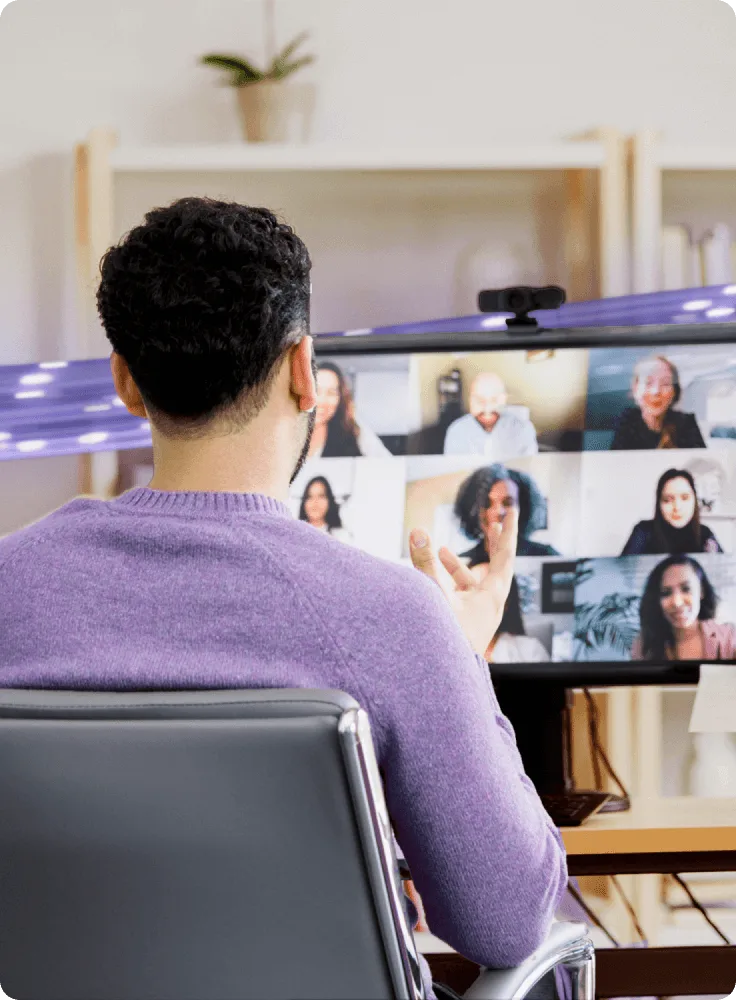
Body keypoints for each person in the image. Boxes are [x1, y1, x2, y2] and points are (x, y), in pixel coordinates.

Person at [0, 198, 566, 1000]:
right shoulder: (394, 616)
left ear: (125, 380)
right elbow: (506, 921)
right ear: (304, 370)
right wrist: (460, 658)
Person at [631, 555, 736, 661]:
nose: (677, 602)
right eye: (666, 593)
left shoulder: (728, 637)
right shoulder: (643, 645)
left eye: (686, 589)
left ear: (701, 591)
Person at [455, 463, 561, 563]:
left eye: (507, 503)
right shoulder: (463, 562)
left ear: (523, 508)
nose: (498, 511)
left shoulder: (547, 556)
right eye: (487, 504)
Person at [611, 355, 706, 450]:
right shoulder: (626, 422)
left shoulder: (686, 423)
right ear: (635, 389)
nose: (656, 391)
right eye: (648, 383)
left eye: (665, 383)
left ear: (674, 391)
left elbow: (702, 462)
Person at [621, 468, 723, 555]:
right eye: (668, 500)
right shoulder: (643, 532)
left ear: (694, 500)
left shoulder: (705, 534)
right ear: (659, 504)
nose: (677, 507)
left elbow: (723, 573)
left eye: (685, 498)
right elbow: (623, 572)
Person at [443, 372, 539, 458]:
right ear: (470, 400)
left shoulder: (524, 429)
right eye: (479, 400)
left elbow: (528, 472)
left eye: (494, 400)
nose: (487, 409)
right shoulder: (456, 431)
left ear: (504, 399)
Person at [307, 360, 390, 458]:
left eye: (331, 393)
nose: (322, 401)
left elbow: (388, 464)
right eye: (316, 391)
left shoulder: (352, 430)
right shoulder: (285, 431)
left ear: (340, 398)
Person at [468, 575, 550, 665]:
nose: (479, 600)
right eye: (472, 589)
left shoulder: (530, 651)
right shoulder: (454, 649)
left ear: (507, 602)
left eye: (492, 591)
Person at [298, 475, 353, 544]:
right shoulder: (294, 534)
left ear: (329, 500)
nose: (315, 502)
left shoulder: (342, 537)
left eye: (321, 496)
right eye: (309, 497)